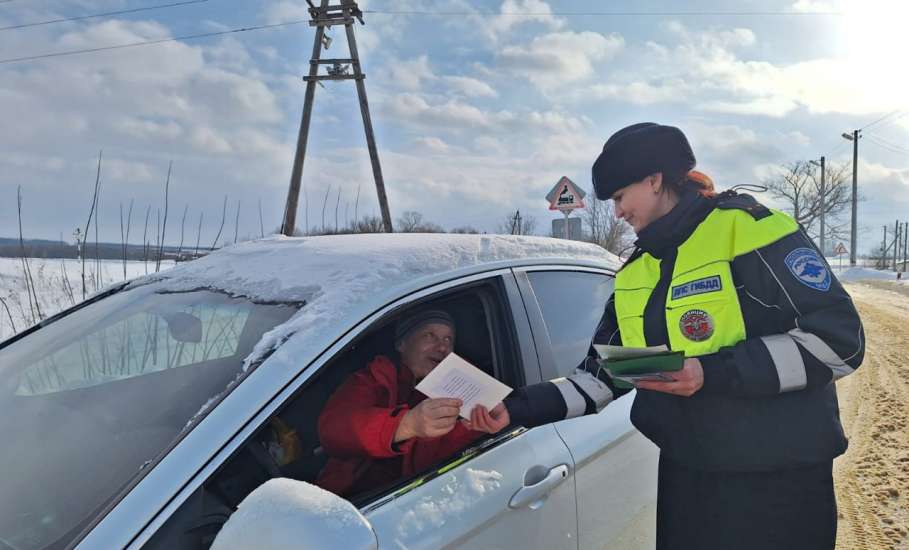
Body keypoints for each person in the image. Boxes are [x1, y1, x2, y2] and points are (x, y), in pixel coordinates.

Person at [473, 123, 865, 550]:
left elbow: (840, 342)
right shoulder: (636, 271)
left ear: (654, 180)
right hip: (691, 478)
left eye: (620, 197)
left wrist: (710, 372)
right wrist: (515, 408)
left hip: (778, 479)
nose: (617, 213)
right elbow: (605, 375)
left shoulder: (750, 229)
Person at [316, 309, 501, 496]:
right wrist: (406, 425)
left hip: (417, 498)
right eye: (430, 336)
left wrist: (480, 424)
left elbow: (454, 457)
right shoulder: (374, 378)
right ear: (401, 344)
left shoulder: (462, 388)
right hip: (350, 497)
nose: (442, 347)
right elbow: (333, 431)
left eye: (448, 340)